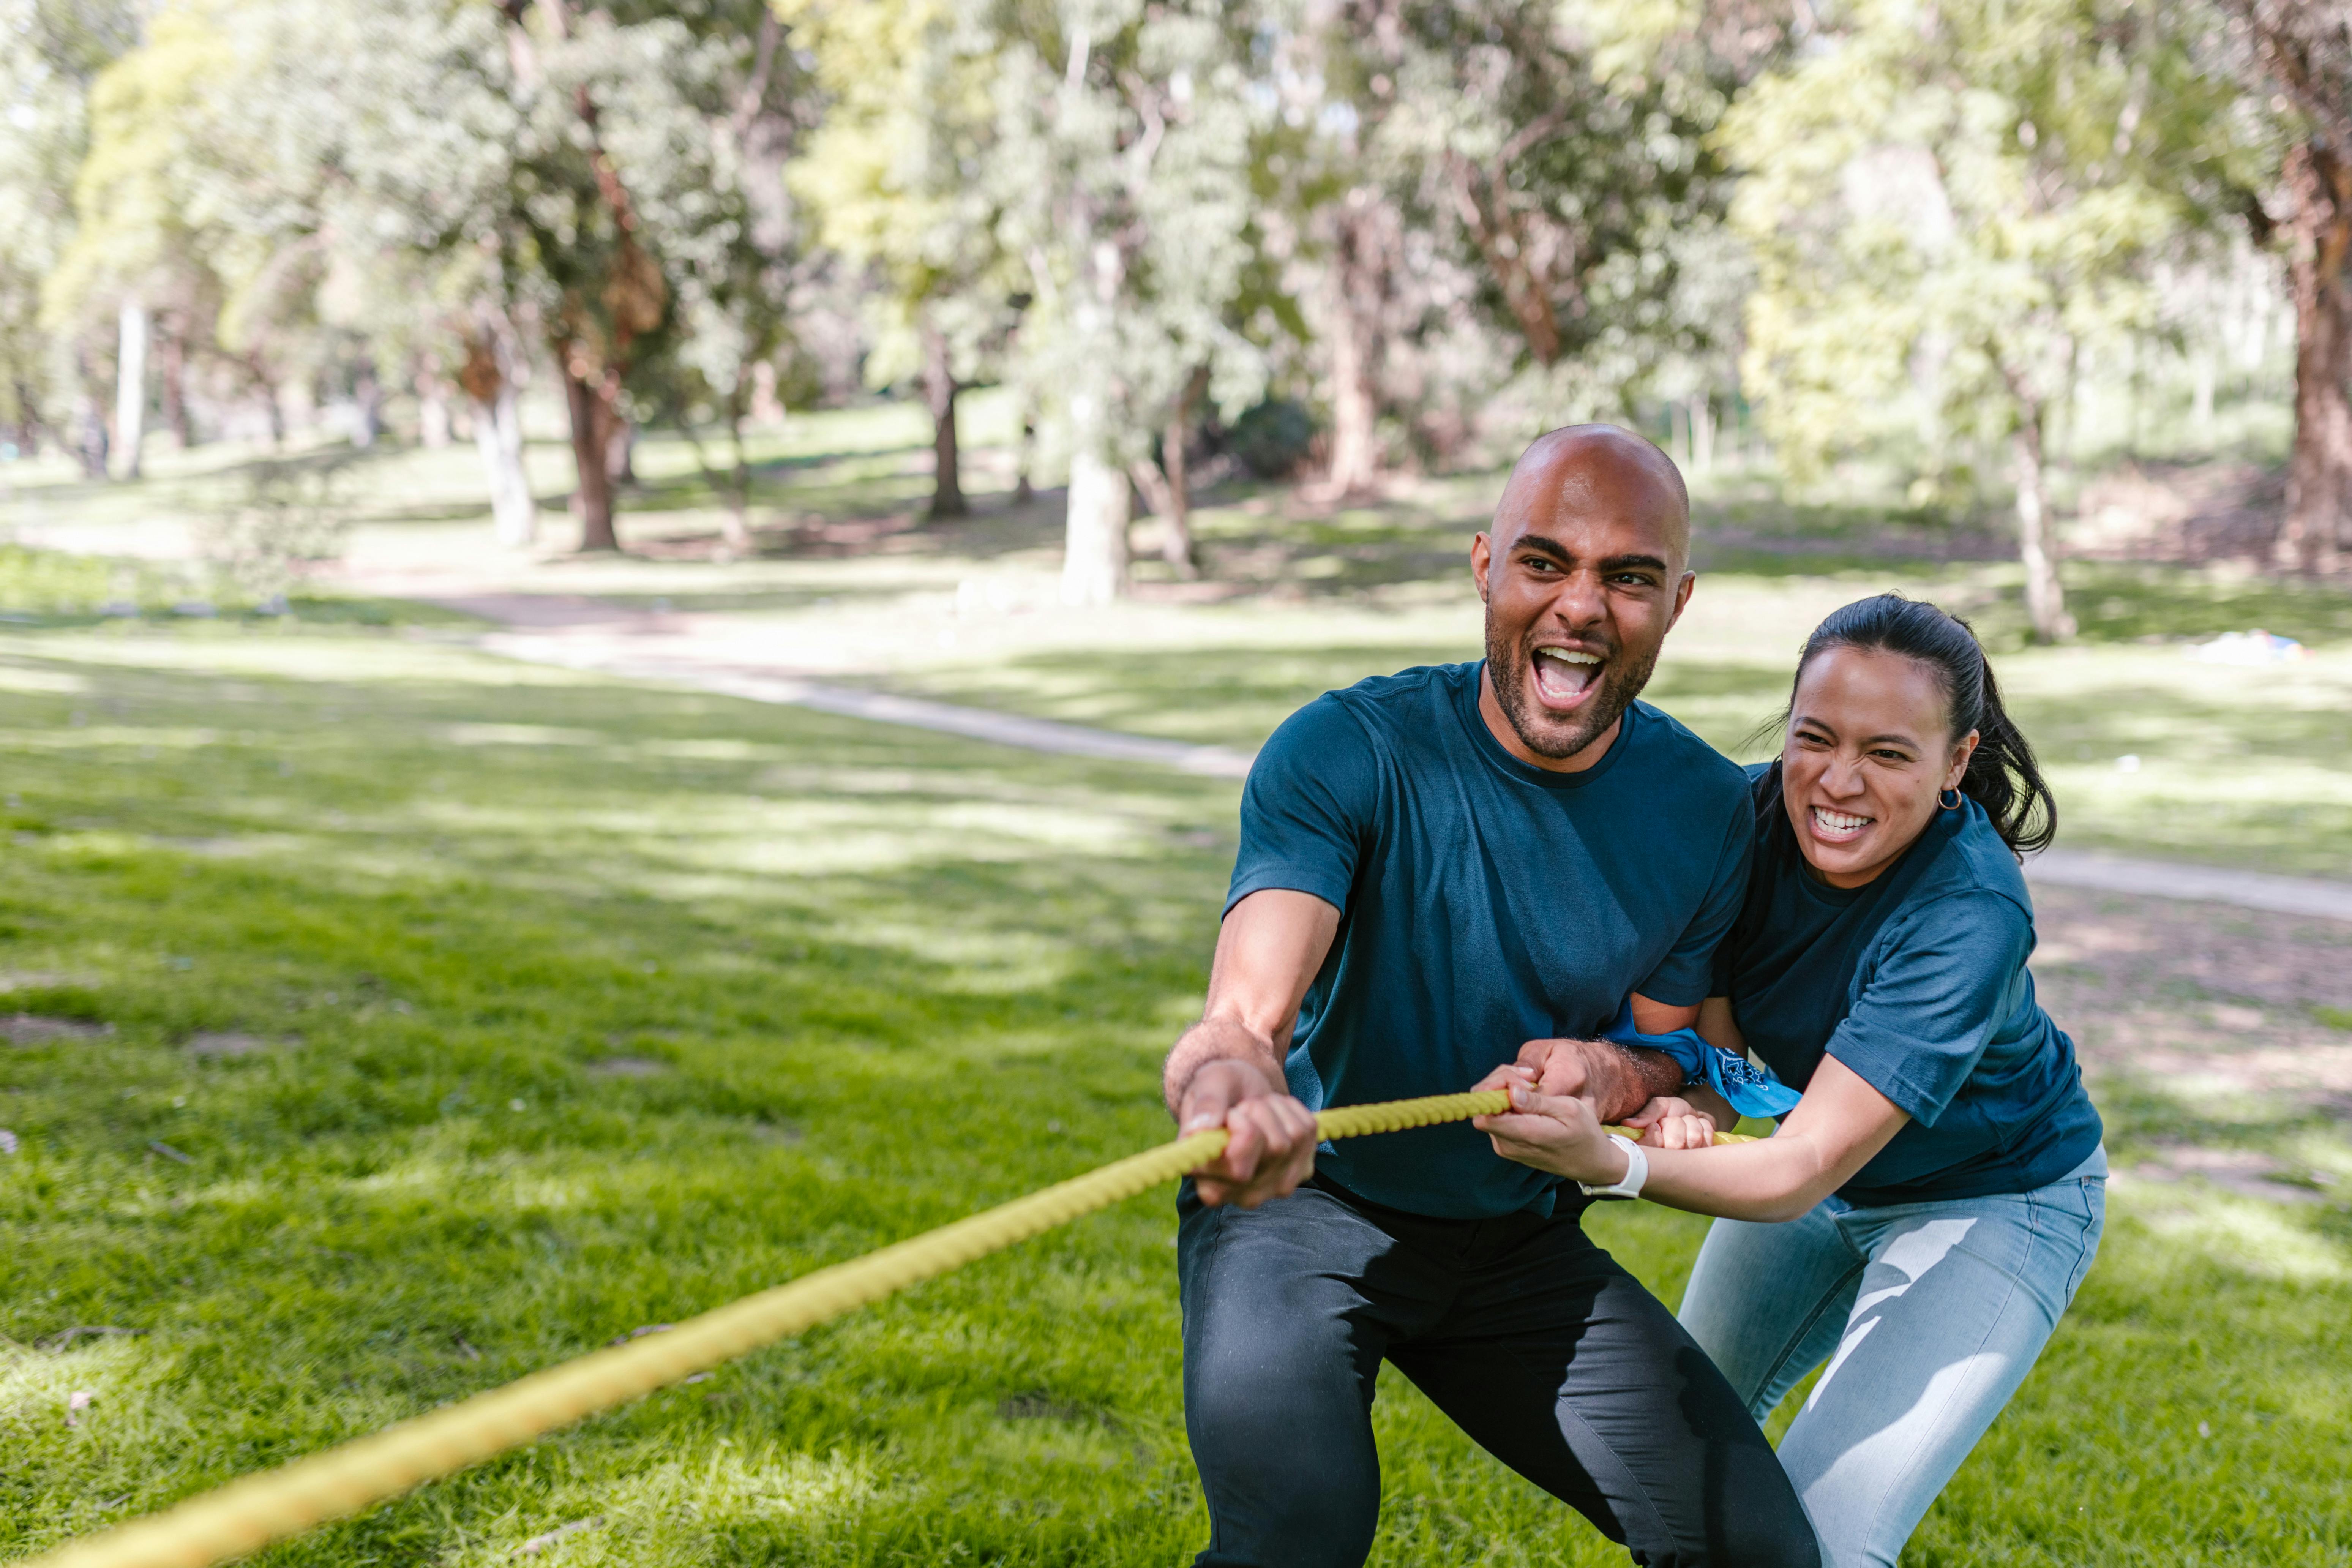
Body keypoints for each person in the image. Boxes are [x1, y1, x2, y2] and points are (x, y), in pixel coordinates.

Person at [1165, 425, 1819, 1568]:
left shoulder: (1711, 809)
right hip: (1303, 1208)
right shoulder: (1348, 749)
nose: (1580, 606)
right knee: (1298, 1540)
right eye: (1543, 562)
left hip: (1513, 1246)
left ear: (1677, 603)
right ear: (1484, 567)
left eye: (1628, 578)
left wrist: (1607, 1073)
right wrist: (1232, 1090)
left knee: (1757, 1551)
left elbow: (1664, 1053)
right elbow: (1243, 1017)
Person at [1474, 593, 2106, 1568]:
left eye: (1889, 753)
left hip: (1995, 1199)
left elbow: (1799, 1167)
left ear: (1956, 760)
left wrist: (1611, 1163)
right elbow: (1730, 1055)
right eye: (1816, 737)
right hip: (1830, 1156)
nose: (1837, 782)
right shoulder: (1744, 824)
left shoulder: (1969, 912)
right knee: (1674, 1466)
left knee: (1826, 1540)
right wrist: (1687, 1105)